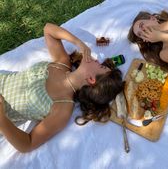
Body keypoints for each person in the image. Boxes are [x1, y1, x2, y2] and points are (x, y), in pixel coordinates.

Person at [0, 23, 123, 153]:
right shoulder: (62, 64)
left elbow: (27, 144)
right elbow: (48, 30)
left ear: (91, 79)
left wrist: (2, 118)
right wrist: (79, 43)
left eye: (101, 66)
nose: (97, 60)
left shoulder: (62, 108)